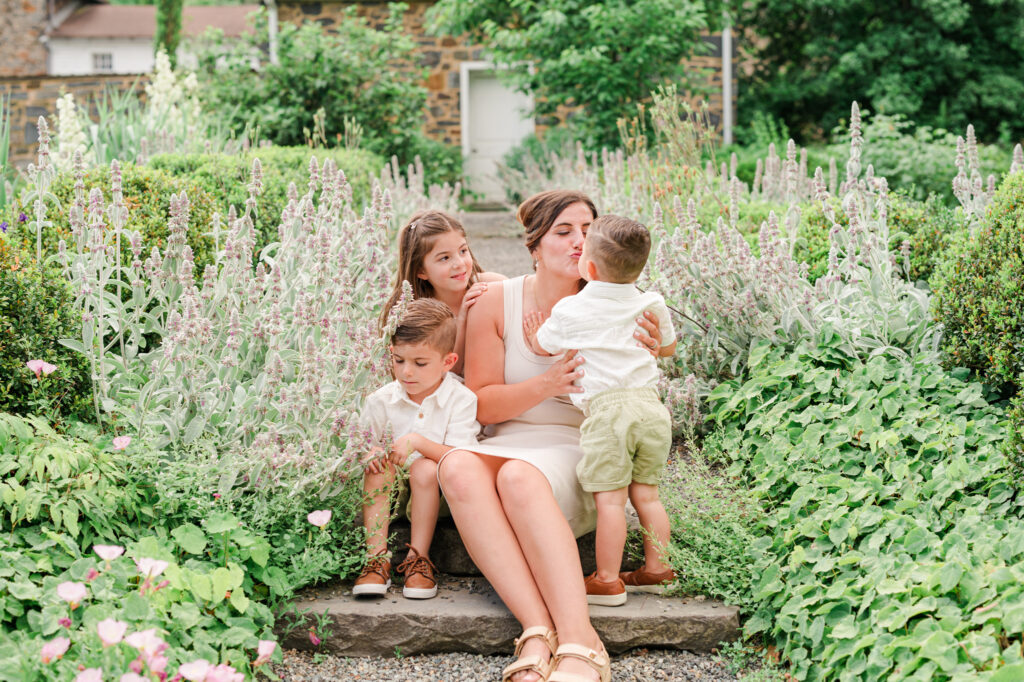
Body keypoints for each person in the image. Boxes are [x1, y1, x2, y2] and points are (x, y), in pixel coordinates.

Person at [437, 191, 665, 682]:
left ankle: (581, 641)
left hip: (582, 447)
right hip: (508, 439)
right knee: (456, 464)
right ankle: (538, 630)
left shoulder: (619, 299)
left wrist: (662, 347)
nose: (579, 241)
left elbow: (654, 363)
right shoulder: (497, 301)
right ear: (535, 245)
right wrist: (545, 383)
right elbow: (481, 401)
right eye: (564, 231)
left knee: (519, 477)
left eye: (587, 229)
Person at [523, 214, 677, 607]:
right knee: (648, 495)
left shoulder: (572, 308)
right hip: (650, 407)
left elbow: (544, 345)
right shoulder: (652, 301)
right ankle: (658, 569)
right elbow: (668, 348)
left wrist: (534, 334)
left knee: (611, 501)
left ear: (588, 267)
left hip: (609, 414)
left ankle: (607, 580)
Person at [352, 299, 481, 599]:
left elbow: (463, 457)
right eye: (399, 360)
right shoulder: (381, 401)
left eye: (420, 363)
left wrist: (419, 442)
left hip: (438, 493)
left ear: (448, 362)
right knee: (377, 465)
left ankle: (417, 560)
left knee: (424, 467)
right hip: (393, 493)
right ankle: (376, 558)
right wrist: (369, 454)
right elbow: (363, 444)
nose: (406, 372)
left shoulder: (460, 399)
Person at [381, 210, 505, 374]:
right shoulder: (419, 317)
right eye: (444, 258)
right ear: (421, 271)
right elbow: (443, 379)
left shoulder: (493, 285)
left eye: (463, 251)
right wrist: (462, 320)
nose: (459, 263)